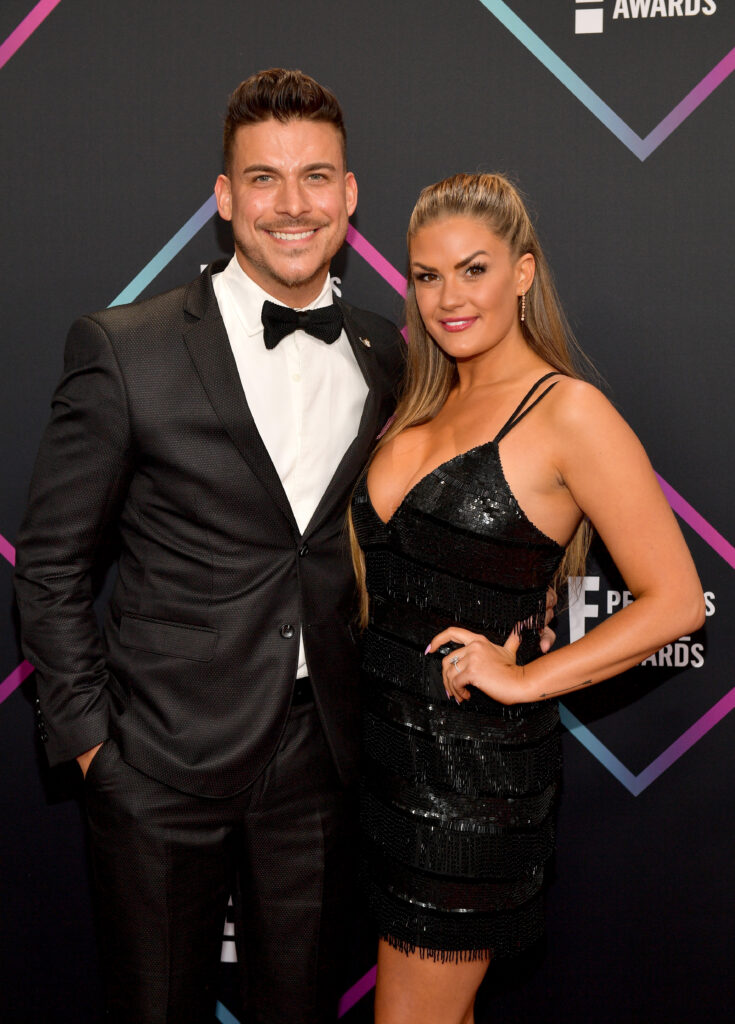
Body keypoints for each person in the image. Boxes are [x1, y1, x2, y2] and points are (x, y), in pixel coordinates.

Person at [13, 68, 406, 1024]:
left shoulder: (385, 350)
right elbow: (54, 559)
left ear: (349, 196)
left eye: (316, 176)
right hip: (156, 761)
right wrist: (95, 749)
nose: (292, 204)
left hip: (322, 758)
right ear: (225, 198)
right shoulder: (124, 348)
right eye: (263, 178)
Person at [349, 172, 705, 1024]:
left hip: (469, 787)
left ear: (522, 271)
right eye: (426, 276)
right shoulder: (421, 398)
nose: (447, 297)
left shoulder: (568, 412)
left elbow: (678, 601)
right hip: (385, 764)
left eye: (473, 270)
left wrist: (525, 679)